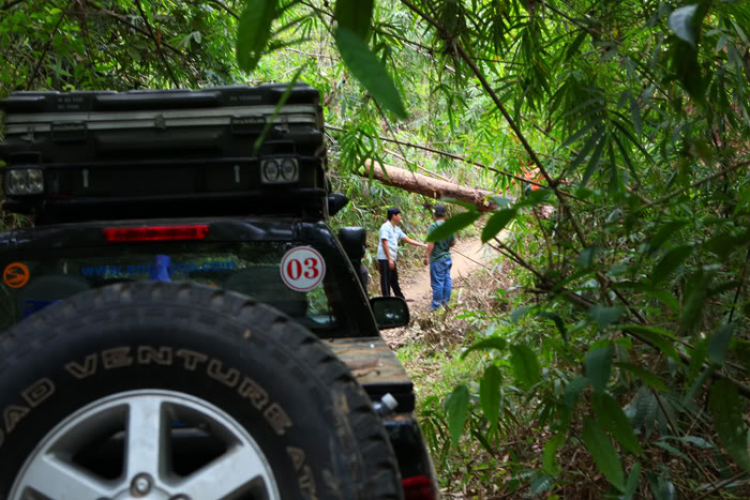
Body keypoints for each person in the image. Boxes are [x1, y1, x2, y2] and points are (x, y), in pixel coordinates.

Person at [377, 207, 426, 299]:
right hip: (385, 258)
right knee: (386, 280)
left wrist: (423, 245)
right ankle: (387, 301)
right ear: (393, 216)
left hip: (391, 259)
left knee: (394, 279)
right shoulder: (385, 227)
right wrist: (389, 259)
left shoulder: (397, 229)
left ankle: (400, 299)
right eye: (399, 215)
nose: (400, 217)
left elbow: (408, 240)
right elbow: (384, 243)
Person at [424, 205, 455, 310]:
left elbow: (431, 243)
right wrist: (445, 245)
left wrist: (426, 256)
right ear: (445, 215)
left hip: (437, 259)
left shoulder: (434, 226)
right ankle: (445, 302)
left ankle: (436, 305)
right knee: (446, 279)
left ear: (435, 214)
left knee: (437, 282)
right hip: (447, 258)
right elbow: (453, 243)